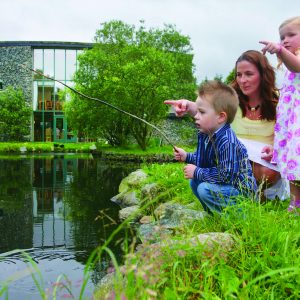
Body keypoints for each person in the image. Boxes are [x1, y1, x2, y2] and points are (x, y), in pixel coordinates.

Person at [165, 51, 281, 194]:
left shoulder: (280, 101)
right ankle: (237, 194)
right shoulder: (231, 98)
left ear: (263, 75)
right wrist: (188, 105)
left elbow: (291, 135)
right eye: (239, 74)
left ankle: (257, 195)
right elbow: (210, 111)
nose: (242, 80)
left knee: (266, 171)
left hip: (265, 162)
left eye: (249, 74)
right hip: (233, 157)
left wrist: (277, 151)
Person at [171, 80, 257, 214]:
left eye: (201, 112)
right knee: (195, 182)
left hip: (240, 191)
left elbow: (225, 175)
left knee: (203, 188)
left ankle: (238, 216)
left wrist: (197, 171)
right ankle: (214, 215)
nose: (196, 117)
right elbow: (202, 160)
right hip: (226, 187)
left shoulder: (227, 141)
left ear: (221, 117)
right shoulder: (206, 133)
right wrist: (186, 156)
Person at [260, 16, 300, 212]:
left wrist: (281, 50)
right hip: (291, 122)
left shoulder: (297, 60)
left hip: (298, 122)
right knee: (293, 162)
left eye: (291, 35)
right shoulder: (287, 64)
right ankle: (295, 202)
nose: (285, 40)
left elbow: (297, 65)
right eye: (282, 37)